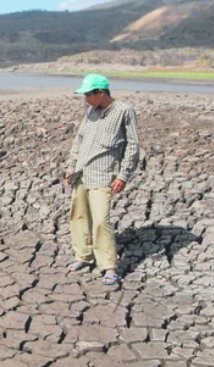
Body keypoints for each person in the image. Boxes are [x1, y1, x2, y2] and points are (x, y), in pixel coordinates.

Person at [64, 74, 140, 286]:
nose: (85, 99)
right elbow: (79, 141)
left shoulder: (124, 111)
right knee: (78, 216)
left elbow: (133, 146)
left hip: (104, 174)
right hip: (81, 172)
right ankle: (83, 256)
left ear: (101, 93)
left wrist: (123, 175)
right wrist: (70, 168)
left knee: (101, 220)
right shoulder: (90, 111)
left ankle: (109, 267)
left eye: (88, 94)